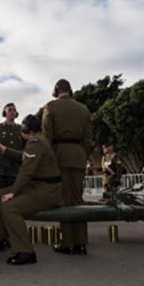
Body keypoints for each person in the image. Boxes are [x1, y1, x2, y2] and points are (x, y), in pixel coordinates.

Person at [0, 115, 63, 265]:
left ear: (25, 130)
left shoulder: (35, 143)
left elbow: (26, 172)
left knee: (9, 208)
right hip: (39, 186)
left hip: (46, 191)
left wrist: (12, 193)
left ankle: (25, 251)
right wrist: (3, 148)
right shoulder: (38, 140)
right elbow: (23, 156)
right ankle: (0, 238)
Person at [41, 79, 93, 256]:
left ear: (56, 90)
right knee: (78, 199)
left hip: (59, 155)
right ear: (70, 90)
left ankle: (68, 243)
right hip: (78, 155)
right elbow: (88, 139)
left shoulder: (51, 107)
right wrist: (81, 154)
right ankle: (81, 243)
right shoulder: (83, 109)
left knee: (64, 199)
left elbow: (47, 135)